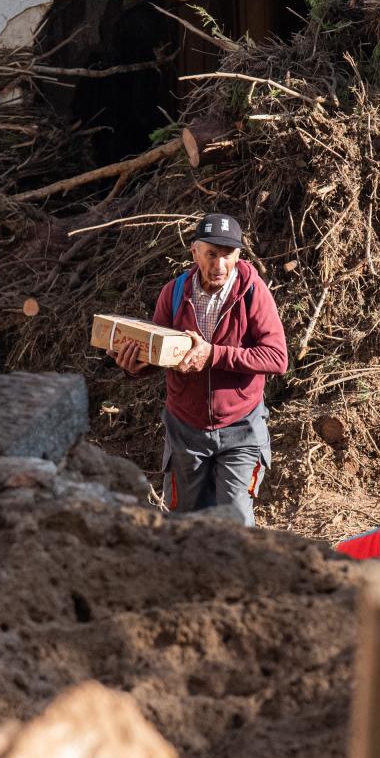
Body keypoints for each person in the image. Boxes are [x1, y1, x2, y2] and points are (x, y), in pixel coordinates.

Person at [110, 213, 288, 525]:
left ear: (238, 255)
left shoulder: (252, 293)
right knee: (185, 524)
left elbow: (276, 358)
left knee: (237, 523)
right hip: (185, 431)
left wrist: (213, 355)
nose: (219, 265)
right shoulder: (175, 293)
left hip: (240, 428)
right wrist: (134, 366)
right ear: (195, 252)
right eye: (211, 254)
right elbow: (160, 353)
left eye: (227, 255)